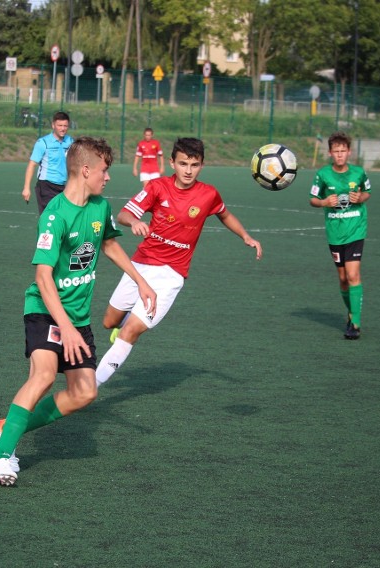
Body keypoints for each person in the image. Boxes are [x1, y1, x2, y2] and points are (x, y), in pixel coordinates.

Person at [0, 136, 157, 486]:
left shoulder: (100, 207)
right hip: (46, 310)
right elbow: (43, 277)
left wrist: (140, 280)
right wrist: (66, 326)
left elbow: (108, 243)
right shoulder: (55, 214)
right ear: (87, 170)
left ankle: (8, 429)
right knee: (44, 376)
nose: (108, 178)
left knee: (85, 393)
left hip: (77, 318)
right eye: (105, 171)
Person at [94, 137, 263, 388]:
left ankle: (91, 385)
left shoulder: (208, 194)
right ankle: (124, 325)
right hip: (140, 265)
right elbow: (123, 214)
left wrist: (245, 236)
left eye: (194, 165)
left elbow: (224, 214)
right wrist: (136, 222)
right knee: (109, 322)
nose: (188, 170)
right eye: (183, 163)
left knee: (131, 331)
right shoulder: (156, 187)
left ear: (201, 166)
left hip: (171, 275)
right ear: (172, 162)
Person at [308, 131, 371, 340]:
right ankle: (351, 311)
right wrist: (325, 202)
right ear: (330, 153)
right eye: (336, 151)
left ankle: (355, 323)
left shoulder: (359, 173)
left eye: (343, 151)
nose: (340, 155)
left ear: (349, 152)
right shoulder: (323, 175)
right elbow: (313, 199)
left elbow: (367, 193)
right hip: (335, 233)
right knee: (343, 279)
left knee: (353, 276)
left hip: (356, 230)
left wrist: (360, 197)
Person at [22, 111, 73, 213]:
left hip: (64, 186)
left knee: (64, 218)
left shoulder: (70, 141)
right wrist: (26, 188)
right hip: (46, 185)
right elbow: (32, 165)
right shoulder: (43, 142)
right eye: (60, 125)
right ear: (53, 125)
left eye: (65, 126)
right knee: (49, 218)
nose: (63, 128)